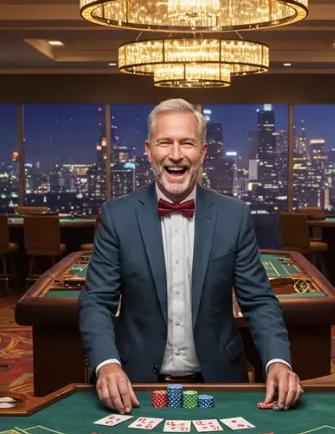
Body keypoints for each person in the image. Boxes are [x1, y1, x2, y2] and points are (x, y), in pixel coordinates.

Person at [78, 98, 303, 414]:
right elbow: (96, 301)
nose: (175, 154)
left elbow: (259, 301)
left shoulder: (234, 216)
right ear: (148, 150)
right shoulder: (117, 216)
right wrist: (106, 363)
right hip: (135, 385)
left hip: (221, 382)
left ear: (203, 152)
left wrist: (278, 361)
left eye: (187, 143)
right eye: (164, 143)